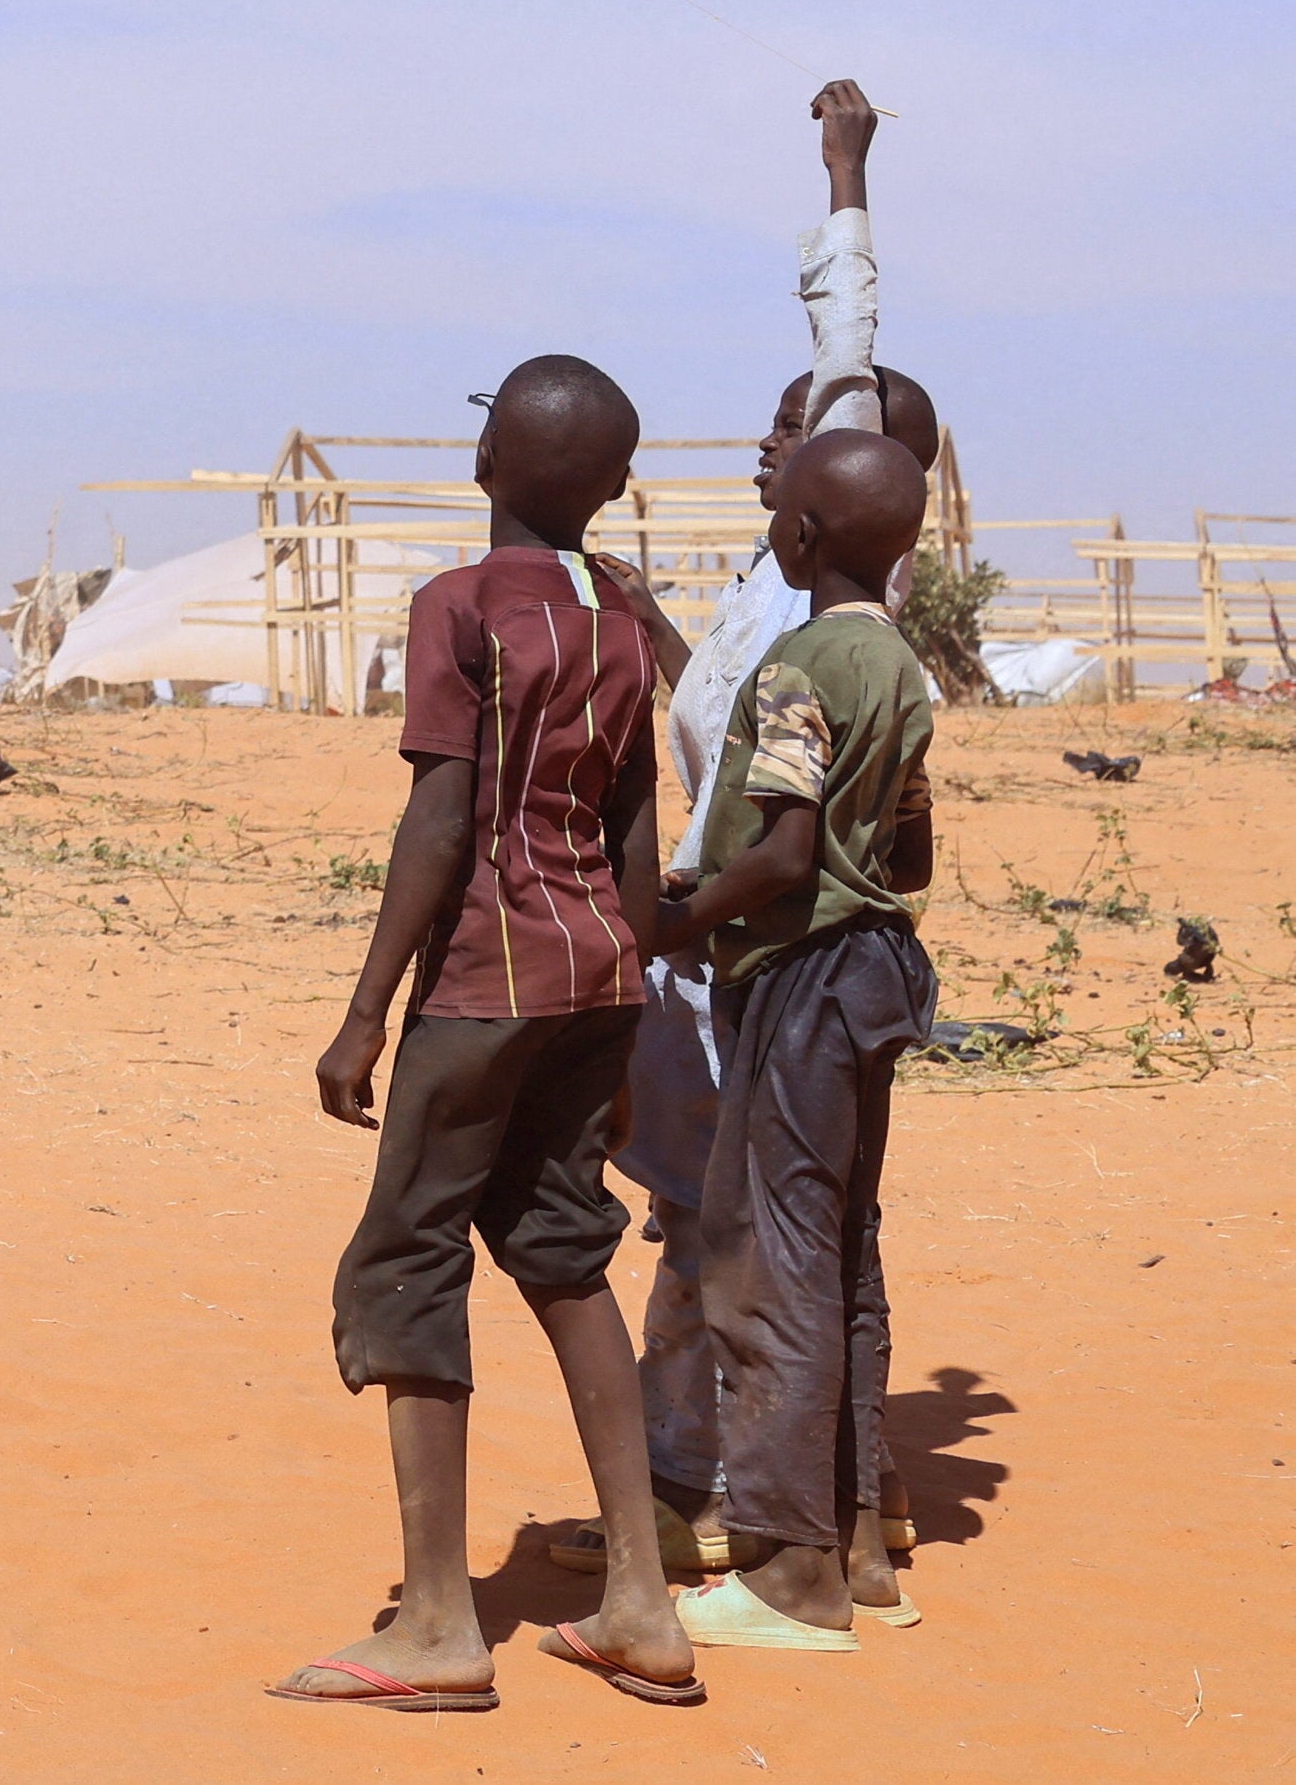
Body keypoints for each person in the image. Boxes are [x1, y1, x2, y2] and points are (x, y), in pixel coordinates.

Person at [270, 354, 701, 1714]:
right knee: (566, 1251)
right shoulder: (628, 625)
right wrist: (625, 1018)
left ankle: (442, 1621)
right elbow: (641, 830)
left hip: (480, 979)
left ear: (483, 467)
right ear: (614, 486)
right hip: (596, 978)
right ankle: (642, 1598)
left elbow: (443, 822)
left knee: (406, 1258)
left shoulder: (459, 605)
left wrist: (362, 1013)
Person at [572, 82, 934, 1609]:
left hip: (755, 949)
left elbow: (846, 364)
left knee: (763, 1234)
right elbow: (727, 736)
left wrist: (842, 179)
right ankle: (746, 1491)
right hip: (713, 950)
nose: (780, 438)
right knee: (716, 1216)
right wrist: (656, 628)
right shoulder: (764, 592)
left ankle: (754, 1510)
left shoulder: (836, 601)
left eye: (805, 431)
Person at [653, 422, 942, 1651]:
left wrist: (674, 919)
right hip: (877, 973)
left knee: (770, 1256)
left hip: (801, 981)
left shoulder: (797, 663)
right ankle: (860, 1542)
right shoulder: (901, 668)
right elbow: (913, 851)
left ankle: (787, 1575)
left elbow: (779, 848)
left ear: (799, 533)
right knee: (841, 1249)